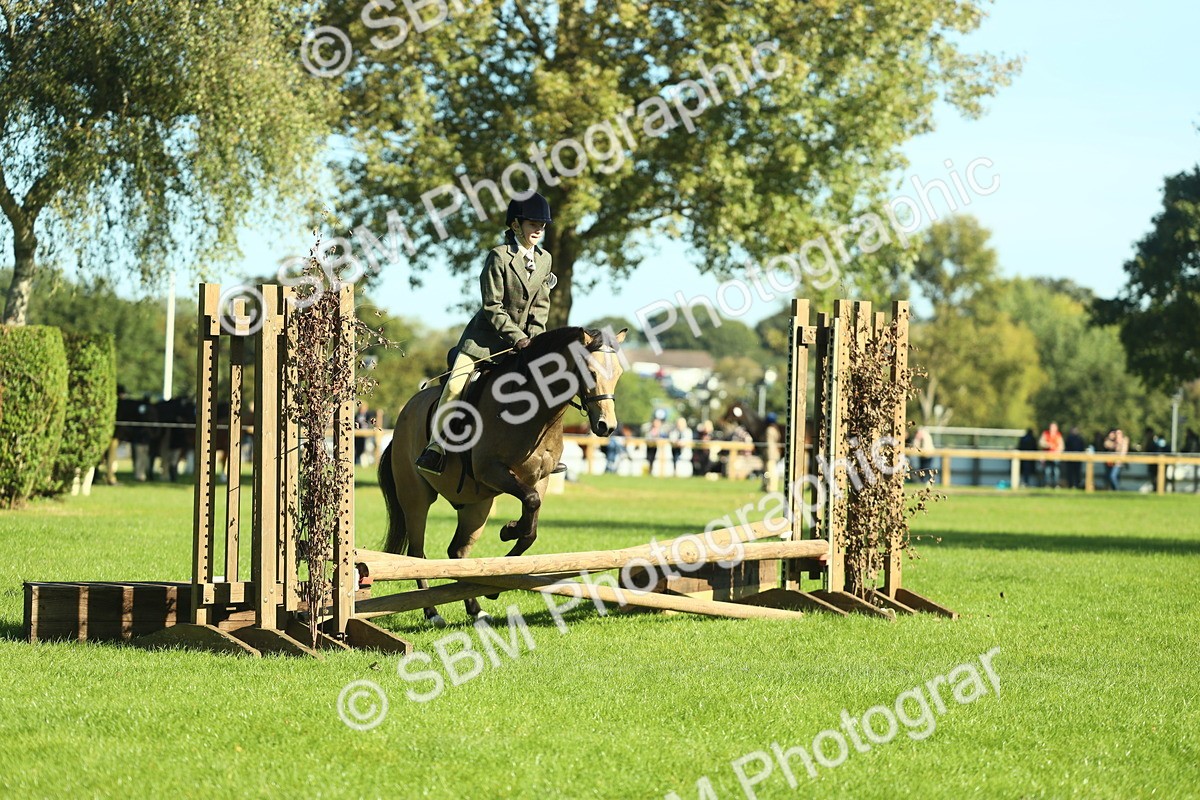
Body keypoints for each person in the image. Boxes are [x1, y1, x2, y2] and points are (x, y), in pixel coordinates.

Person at [415, 193, 555, 475]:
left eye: (542, 225)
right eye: (533, 224)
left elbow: (541, 306)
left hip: (524, 343)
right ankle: (436, 448)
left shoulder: (545, 260)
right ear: (516, 226)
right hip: (483, 342)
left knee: (547, 385)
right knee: (456, 386)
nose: (539, 229)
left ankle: (545, 451)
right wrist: (518, 337)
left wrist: (535, 340)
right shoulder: (499, 256)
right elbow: (492, 306)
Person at [1038, 422, 1064, 488]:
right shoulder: (1045, 433)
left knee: (1056, 471)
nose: (1052, 429)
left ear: (1056, 428)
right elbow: (1041, 443)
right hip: (1047, 456)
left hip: (1055, 456)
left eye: (1054, 427)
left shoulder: (1058, 435)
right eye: (1051, 427)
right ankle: (1047, 485)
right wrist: (1048, 445)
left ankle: (1056, 485)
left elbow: (1061, 446)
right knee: (1047, 471)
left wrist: (1058, 451)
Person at [762, 412, 782, 492]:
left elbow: (769, 444)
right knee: (772, 471)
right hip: (775, 453)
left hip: (770, 454)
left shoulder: (769, 430)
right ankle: (770, 487)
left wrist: (767, 454)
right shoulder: (775, 429)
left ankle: (771, 488)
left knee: (770, 471)